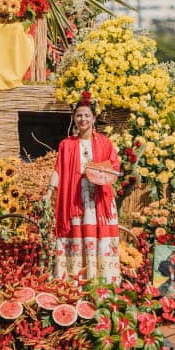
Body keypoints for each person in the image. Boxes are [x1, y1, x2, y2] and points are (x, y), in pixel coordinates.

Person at [45, 91, 121, 283]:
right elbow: (59, 170)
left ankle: (102, 283)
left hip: (100, 200)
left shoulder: (105, 143)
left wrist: (99, 174)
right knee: (77, 235)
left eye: (87, 115)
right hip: (75, 199)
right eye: (79, 115)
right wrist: (48, 192)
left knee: (98, 237)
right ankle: (74, 283)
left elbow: (115, 169)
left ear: (94, 118)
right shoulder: (67, 145)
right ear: (74, 118)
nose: (83, 119)